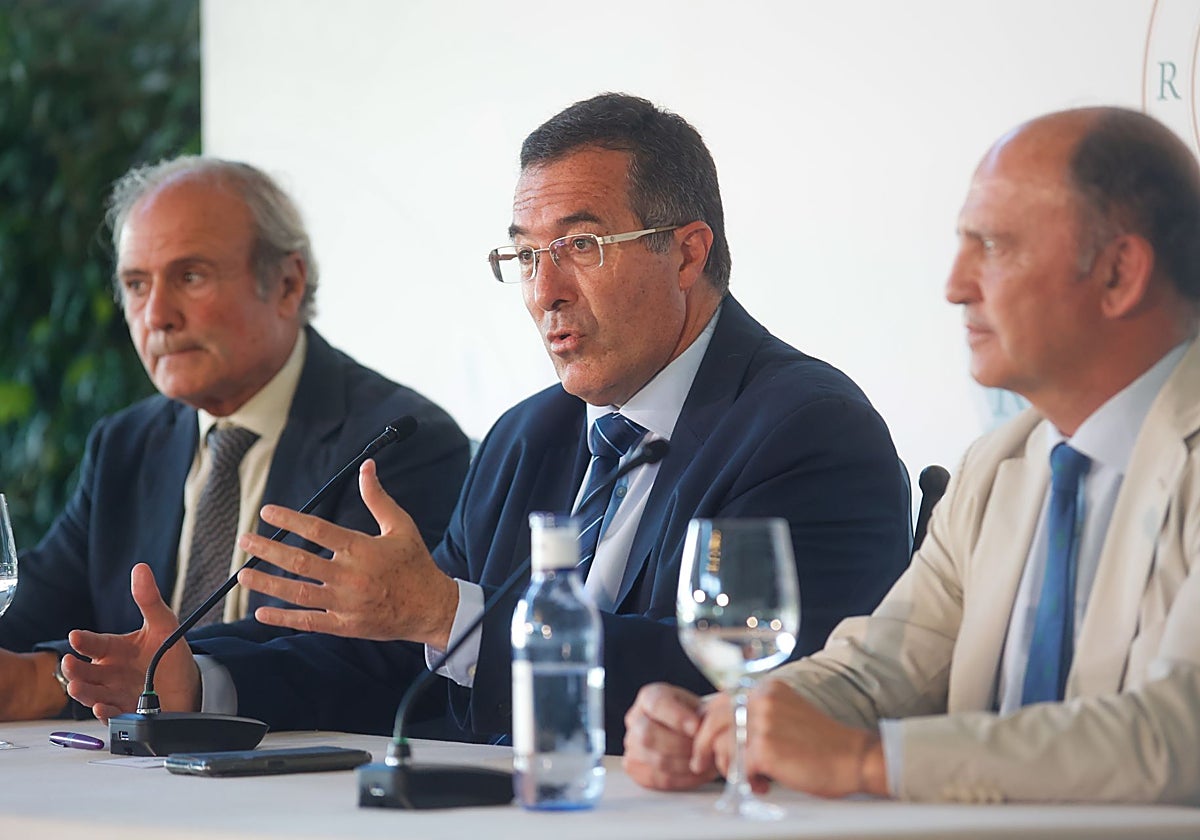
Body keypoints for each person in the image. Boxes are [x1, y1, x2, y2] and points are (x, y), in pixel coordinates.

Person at [63, 93, 912, 745]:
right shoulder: (528, 437)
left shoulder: (810, 431)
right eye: (525, 254)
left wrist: (451, 615)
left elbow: (765, 685)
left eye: (580, 247)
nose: (544, 292)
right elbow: (397, 654)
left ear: (687, 251)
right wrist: (196, 681)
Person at [623, 106, 1200, 804]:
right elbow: (877, 672)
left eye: (993, 246)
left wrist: (871, 762)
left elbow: (1177, 736)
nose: (955, 285)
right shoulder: (999, 465)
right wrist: (728, 726)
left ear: (1119, 273)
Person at [0, 156, 469, 721]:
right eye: (136, 284)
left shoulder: (398, 441)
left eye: (190, 277)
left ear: (287, 284)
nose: (157, 315)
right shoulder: (125, 444)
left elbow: (357, 650)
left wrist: (65, 678)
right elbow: (31, 606)